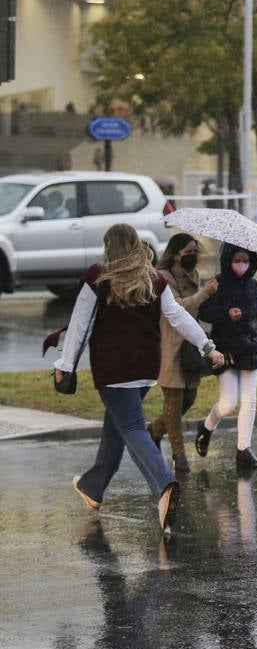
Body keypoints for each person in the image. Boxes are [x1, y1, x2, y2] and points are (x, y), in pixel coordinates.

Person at [53, 223, 224, 532]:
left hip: (112, 368)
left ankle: (164, 485)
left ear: (110, 248)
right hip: (147, 369)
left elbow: (79, 325)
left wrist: (64, 364)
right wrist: (206, 345)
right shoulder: (155, 280)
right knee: (116, 425)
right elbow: (178, 317)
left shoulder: (98, 278)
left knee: (131, 426)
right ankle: (93, 487)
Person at [195, 242, 257, 470]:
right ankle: (206, 427)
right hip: (224, 349)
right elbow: (204, 312)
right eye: (237, 260)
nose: (242, 264)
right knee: (228, 403)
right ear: (228, 260)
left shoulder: (254, 285)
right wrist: (225, 313)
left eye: (246, 260)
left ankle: (244, 450)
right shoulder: (218, 283)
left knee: (250, 401)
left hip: (250, 347)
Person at [148, 233, 219, 475]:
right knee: (173, 400)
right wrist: (204, 294)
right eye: (188, 251)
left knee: (188, 398)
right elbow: (177, 309)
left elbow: (195, 311)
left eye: (195, 251)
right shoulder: (163, 277)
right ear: (176, 253)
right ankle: (179, 456)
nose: (193, 255)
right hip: (169, 344)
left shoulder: (195, 275)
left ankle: (155, 431)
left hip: (189, 346)